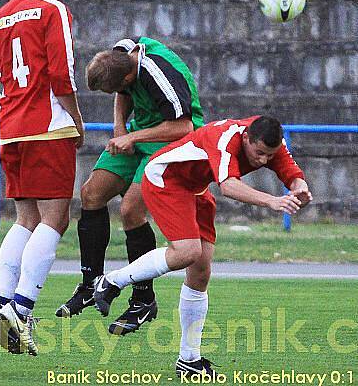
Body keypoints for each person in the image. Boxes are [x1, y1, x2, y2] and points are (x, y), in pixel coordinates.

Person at [93, 116, 312, 376]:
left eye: (269, 155)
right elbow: (228, 186)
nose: (264, 160)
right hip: (166, 178)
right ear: (246, 139)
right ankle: (110, 281)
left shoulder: (270, 141)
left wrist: (301, 189)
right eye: (260, 153)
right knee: (187, 252)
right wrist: (272, 201)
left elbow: (292, 174)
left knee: (201, 271)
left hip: (195, 189)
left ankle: (189, 360)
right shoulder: (226, 138)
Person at [55, 37, 205, 336]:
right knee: (91, 194)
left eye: (115, 88)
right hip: (140, 133)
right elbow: (122, 93)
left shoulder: (161, 76)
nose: (117, 93)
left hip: (173, 140)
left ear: (128, 77)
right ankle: (90, 283)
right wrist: (121, 129)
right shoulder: (122, 55)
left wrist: (132, 138)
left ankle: (143, 298)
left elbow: (184, 126)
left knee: (130, 210)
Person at [0, 0, 84, 355]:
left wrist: (11, 115)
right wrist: (76, 118)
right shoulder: (50, 10)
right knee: (56, 219)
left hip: (12, 134)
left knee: (26, 218)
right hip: (49, 128)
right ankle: (21, 309)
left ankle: (1, 301)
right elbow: (61, 73)